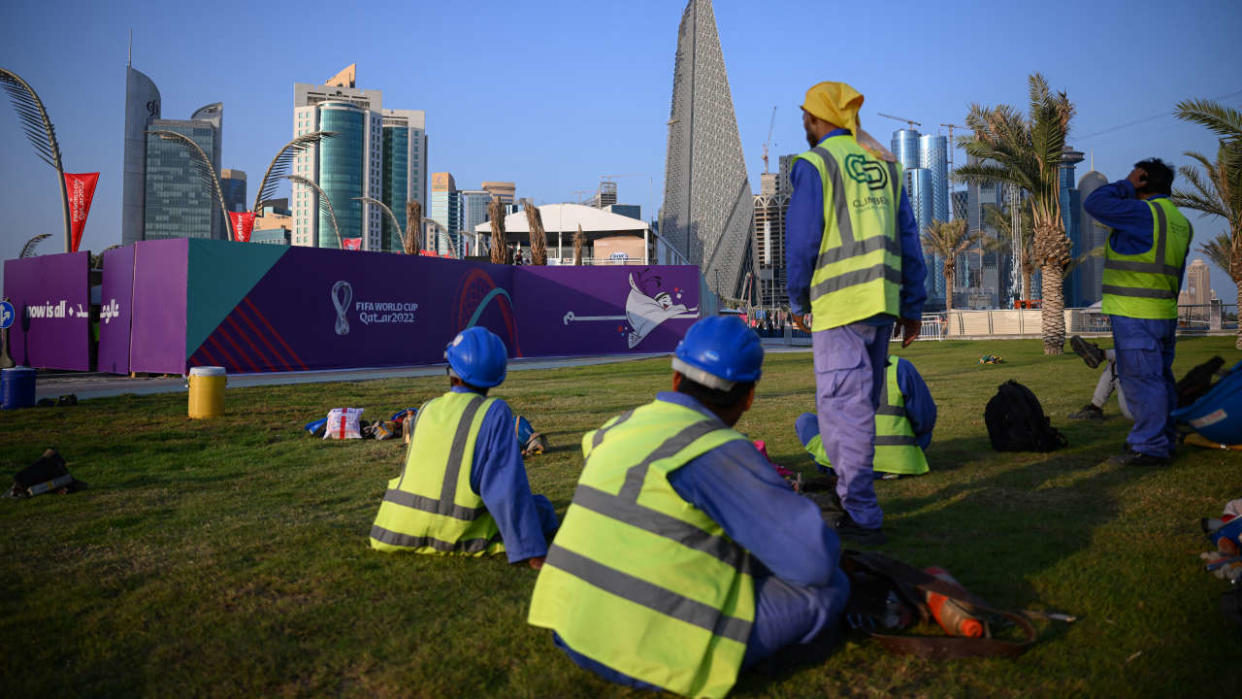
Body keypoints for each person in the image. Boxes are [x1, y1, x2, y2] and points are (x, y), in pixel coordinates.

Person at [527, 317, 851, 698]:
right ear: (748, 397)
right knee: (830, 588)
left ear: (675, 377)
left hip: (570, 627)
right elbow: (811, 562)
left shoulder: (616, 427)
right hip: (646, 649)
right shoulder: (717, 448)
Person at [786, 81, 928, 543]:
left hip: (839, 306)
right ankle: (855, 499)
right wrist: (912, 305)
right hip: (882, 304)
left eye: (806, 115)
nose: (805, 123)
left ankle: (861, 514)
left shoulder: (816, 163)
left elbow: (804, 241)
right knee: (860, 407)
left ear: (816, 118)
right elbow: (910, 240)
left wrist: (797, 301)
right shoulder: (887, 164)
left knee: (843, 410)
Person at [369, 326, 557, 567]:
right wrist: (531, 551)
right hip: (452, 531)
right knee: (542, 509)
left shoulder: (426, 409)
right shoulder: (493, 412)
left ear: (451, 369)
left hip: (395, 528)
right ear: (497, 374)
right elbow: (505, 487)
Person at [1083, 159, 1193, 466]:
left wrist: (1127, 185)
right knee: (1160, 379)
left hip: (1136, 314)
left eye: (1134, 177)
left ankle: (1149, 446)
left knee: (1143, 381)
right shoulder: (1179, 221)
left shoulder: (1143, 214)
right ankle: (1165, 438)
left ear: (1143, 180)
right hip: (1163, 313)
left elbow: (1095, 202)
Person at [795, 354, 936, 478]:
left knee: (805, 421)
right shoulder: (900, 368)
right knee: (923, 429)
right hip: (899, 462)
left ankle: (832, 463)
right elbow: (925, 419)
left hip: (848, 464)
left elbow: (826, 420)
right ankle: (897, 458)